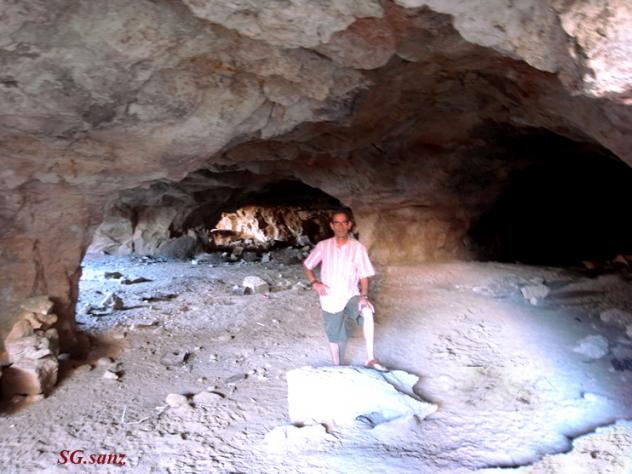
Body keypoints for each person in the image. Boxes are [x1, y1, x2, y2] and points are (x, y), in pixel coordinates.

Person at [303, 209, 387, 371]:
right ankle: (337, 366)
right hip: (330, 296)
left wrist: (364, 296)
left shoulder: (358, 248)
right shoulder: (323, 246)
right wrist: (314, 282)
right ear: (331, 226)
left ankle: (370, 358)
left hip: (351, 294)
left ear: (349, 225)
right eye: (337, 223)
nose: (340, 226)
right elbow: (308, 265)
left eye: (344, 223)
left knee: (367, 312)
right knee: (333, 334)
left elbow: (363, 275)